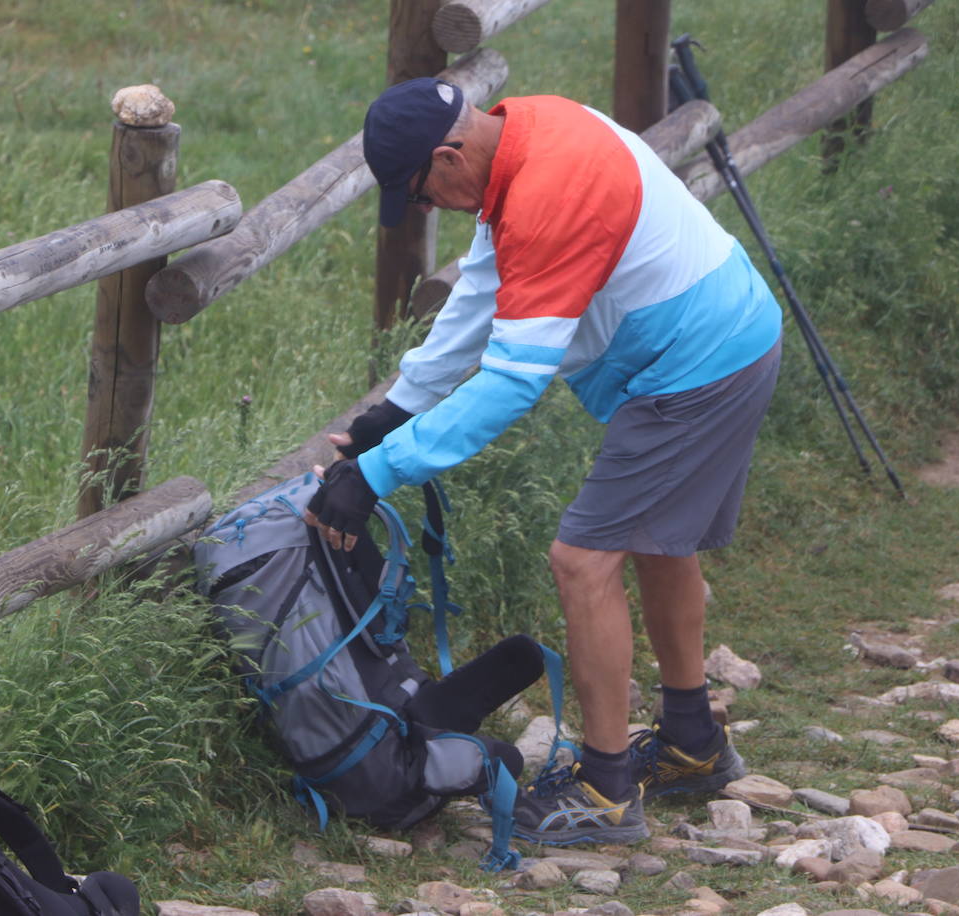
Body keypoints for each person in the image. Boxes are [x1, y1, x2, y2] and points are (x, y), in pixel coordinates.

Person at [303, 77, 783, 847]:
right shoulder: (529, 134)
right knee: (660, 542)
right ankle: (692, 744)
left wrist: (379, 472)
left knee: (582, 559)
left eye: (421, 193)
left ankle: (604, 789)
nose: (424, 209)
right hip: (728, 335)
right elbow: (484, 287)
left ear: (450, 154)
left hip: (697, 365)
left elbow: (511, 382)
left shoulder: (549, 191)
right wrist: (399, 407)